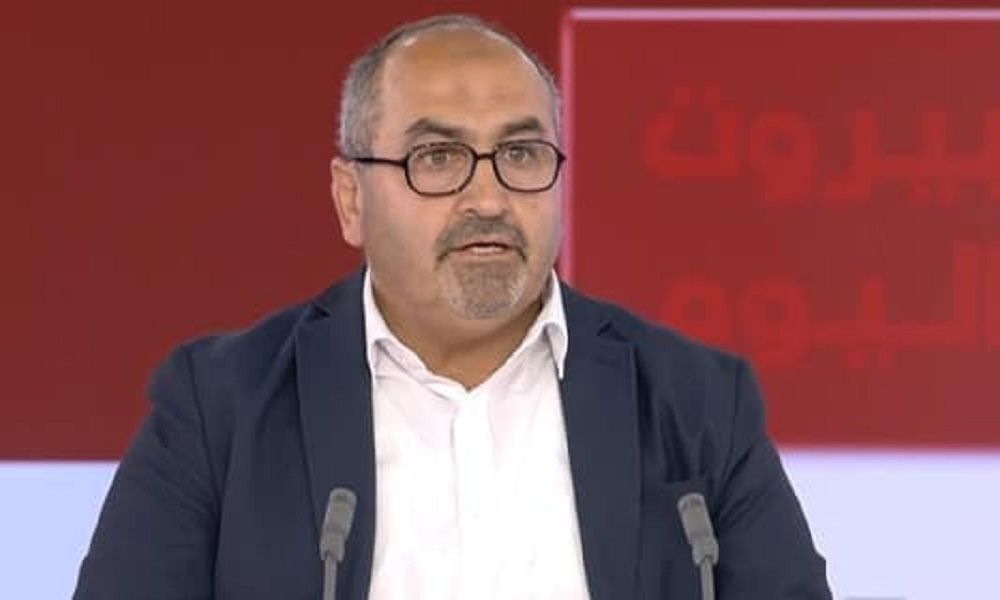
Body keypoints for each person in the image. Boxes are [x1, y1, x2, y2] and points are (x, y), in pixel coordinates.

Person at [74, 13, 832, 600]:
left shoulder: (696, 402)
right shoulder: (220, 409)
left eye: (521, 154)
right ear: (350, 199)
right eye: (436, 158)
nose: (488, 197)